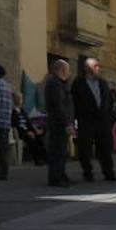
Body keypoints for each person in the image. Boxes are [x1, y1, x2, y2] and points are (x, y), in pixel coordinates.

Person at [71, 57, 116, 182]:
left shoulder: (102, 83)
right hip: (86, 119)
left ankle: (109, 172)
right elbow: (74, 102)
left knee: (105, 146)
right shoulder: (78, 83)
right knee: (85, 147)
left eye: (98, 66)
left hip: (102, 119)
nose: (98, 69)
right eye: (95, 66)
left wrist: (110, 117)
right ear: (87, 68)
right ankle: (88, 172)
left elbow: (109, 100)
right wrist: (76, 118)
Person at [43, 58, 74, 187]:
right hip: (58, 123)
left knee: (62, 151)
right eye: (68, 70)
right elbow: (58, 105)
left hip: (60, 122)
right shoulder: (54, 83)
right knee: (58, 151)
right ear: (62, 70)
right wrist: (66, 123)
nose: (69, 72)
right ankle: (56, 178)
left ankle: (61, 175)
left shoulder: (59, 83)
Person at [11, 92, 47, 165]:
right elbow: (16, 126)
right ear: (15, 100)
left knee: (39, 137)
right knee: (31, 139)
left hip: (28, 130)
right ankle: (37, 159)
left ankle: (45, 158)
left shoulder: (22, 111)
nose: (21, 101)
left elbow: (28, 123)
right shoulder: (13, 112)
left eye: (21, 99)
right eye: (20, 99)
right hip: (20, 132)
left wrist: (35, 131)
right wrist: (27, 132)